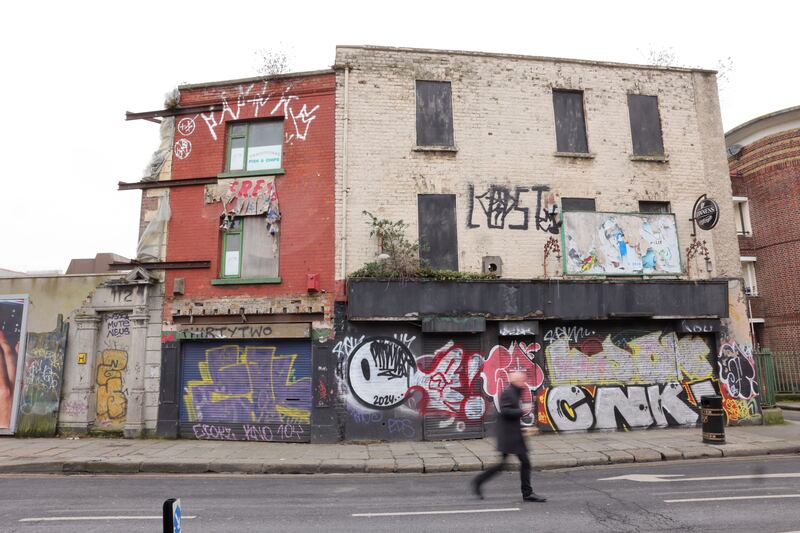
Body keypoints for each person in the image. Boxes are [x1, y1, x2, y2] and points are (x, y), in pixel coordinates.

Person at [471, 370, 546, 502]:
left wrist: (523, 428)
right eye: (522, 380)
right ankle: (527, 493)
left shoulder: (515, 391)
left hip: (513, 434)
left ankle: (479, 481)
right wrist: (521, 411)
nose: (524, 383)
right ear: (515, 381)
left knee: (507, 465)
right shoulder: (509, 392)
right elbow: (505, 411)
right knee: (524, 463)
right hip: (509, 436)